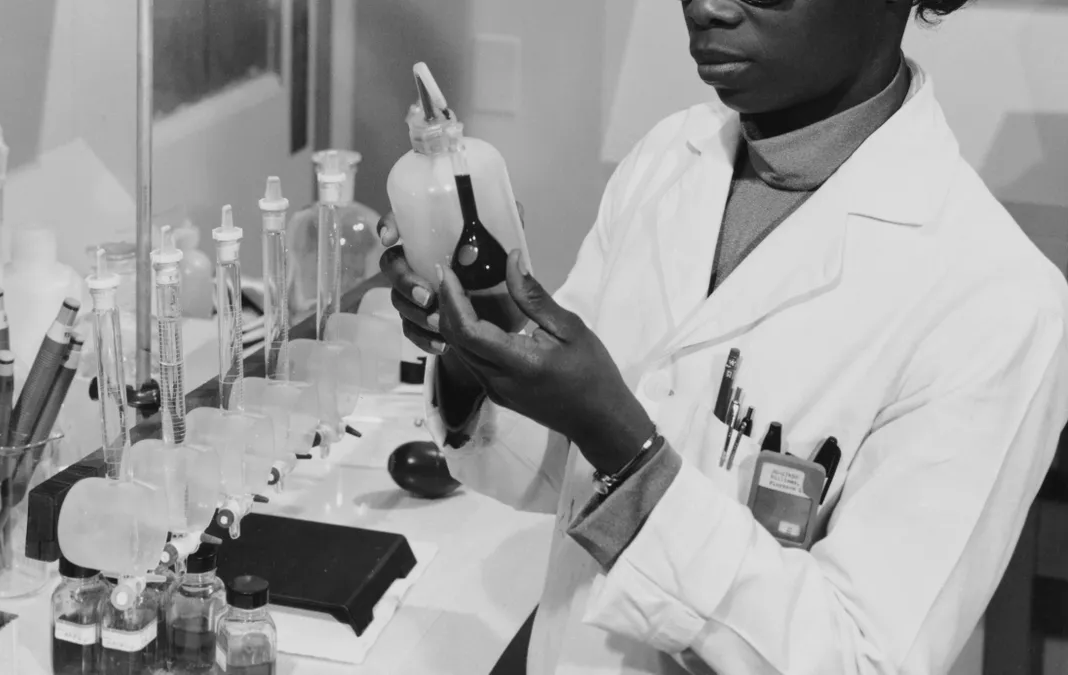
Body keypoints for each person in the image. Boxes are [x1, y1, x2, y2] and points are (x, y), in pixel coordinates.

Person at [379, 0, 1068, 673]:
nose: (706, 7)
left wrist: (626, 445)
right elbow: (552, 472)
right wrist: (477, 346)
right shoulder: (667, 159)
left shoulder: (997, 301)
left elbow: (857, 655)